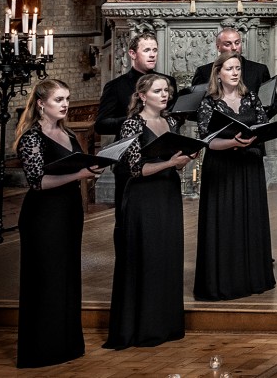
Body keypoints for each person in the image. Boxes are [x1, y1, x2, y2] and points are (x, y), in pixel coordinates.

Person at [104, 74, 192, 350]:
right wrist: (170, 163)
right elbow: (134, 168)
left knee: (167, 253)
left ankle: (166, 323)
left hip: (167, 193)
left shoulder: (172, 121)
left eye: (167, 90)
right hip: (143, 197)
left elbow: (174, 161)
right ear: (142, 96)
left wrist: (183, 160)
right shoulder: (132, 123)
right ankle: (143, 327)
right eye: (158, 90)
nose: (164, 94)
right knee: (146, 255)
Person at [14, 79, 94, 368]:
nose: (65, 104)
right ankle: (41, 350)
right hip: (43, 216)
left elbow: (75, 169)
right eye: (59, 100)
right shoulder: (31, 138)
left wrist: (91, 167)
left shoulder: (68, 133)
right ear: (40, 104)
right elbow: (38, 182)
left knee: (66, 276)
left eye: (67, 99)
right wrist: (80, 174)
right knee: (44, 279)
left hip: (69, 212)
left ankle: (66, 345)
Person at [194, 51, 276, 300]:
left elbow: (262, 125)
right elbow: (206, 140)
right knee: (225, 221)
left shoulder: (250, 97)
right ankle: (225, 279)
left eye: (238, 68)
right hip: (222, 169)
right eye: (229, 68)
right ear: (218, 73)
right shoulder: (208, 102)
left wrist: (253, 137)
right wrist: (233, 143)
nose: (235, 73)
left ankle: (252, 276)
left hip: (249, 168)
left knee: (249, 218)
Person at [95, 32, 178, 266]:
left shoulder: (166, 82)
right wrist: (137, 121)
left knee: (160, 227)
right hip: (130, 169)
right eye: (146, 50)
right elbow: (101, 124)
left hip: (161, 164)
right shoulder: (117, 86)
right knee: (126, 223)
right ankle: (128, 270)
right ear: (132, 54)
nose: (152, 55)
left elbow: (170, 115)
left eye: (154, 50)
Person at [191, 28, 277, 118]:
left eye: (237, 43)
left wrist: (255, 121)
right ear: (218, 47)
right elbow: (193, 107)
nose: (234, 47)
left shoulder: (259, 70)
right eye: (228, 44)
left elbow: (274, 103)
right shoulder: (204, 72)